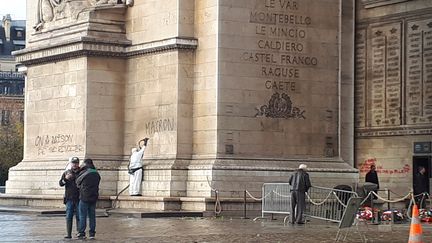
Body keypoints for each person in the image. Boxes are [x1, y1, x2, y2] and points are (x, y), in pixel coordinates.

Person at [76, 159, 101, 240]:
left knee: (82, 215)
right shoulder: (97, 173)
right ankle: (92, 233)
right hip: (94, 197)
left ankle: (82, 232)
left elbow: (77, 181)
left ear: (86, 164)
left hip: (84, 197)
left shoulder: (85, 172)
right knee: (92, 216)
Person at [59, 157, 80, 239]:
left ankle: (79, 232)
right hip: (69, 198)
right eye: (73, 163)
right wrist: (65, 179)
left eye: (76, 163)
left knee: (79, 216)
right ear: (71, 163)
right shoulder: (66, 172)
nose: (75, 164)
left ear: (78, 163)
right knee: (69, 216)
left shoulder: (81, 172)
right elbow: (61, 183)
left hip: (79, 197)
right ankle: (69, 234)